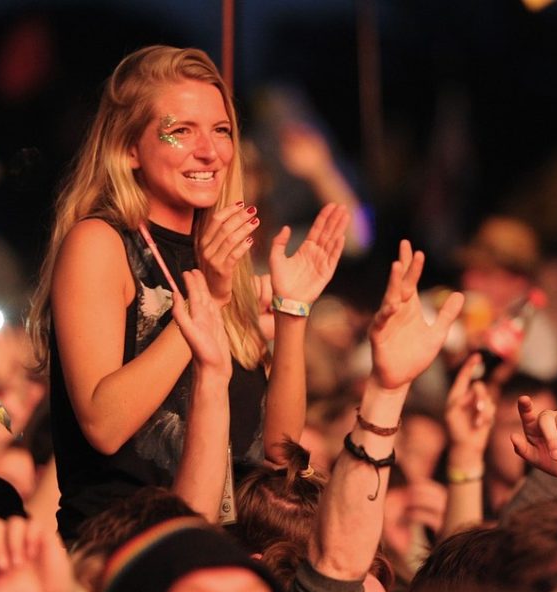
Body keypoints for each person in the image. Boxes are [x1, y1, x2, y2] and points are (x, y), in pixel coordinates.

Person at [27, 45, 348, 539]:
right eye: (181, 131)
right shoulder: (100, 243)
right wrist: (211, 300)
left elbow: (277, 452)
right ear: (128, 148)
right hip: (124, 554)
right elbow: (104, 425)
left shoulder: (218, 254)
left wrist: (293, 309)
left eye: (221, 131)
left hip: (225, 551)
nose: (210, 152)